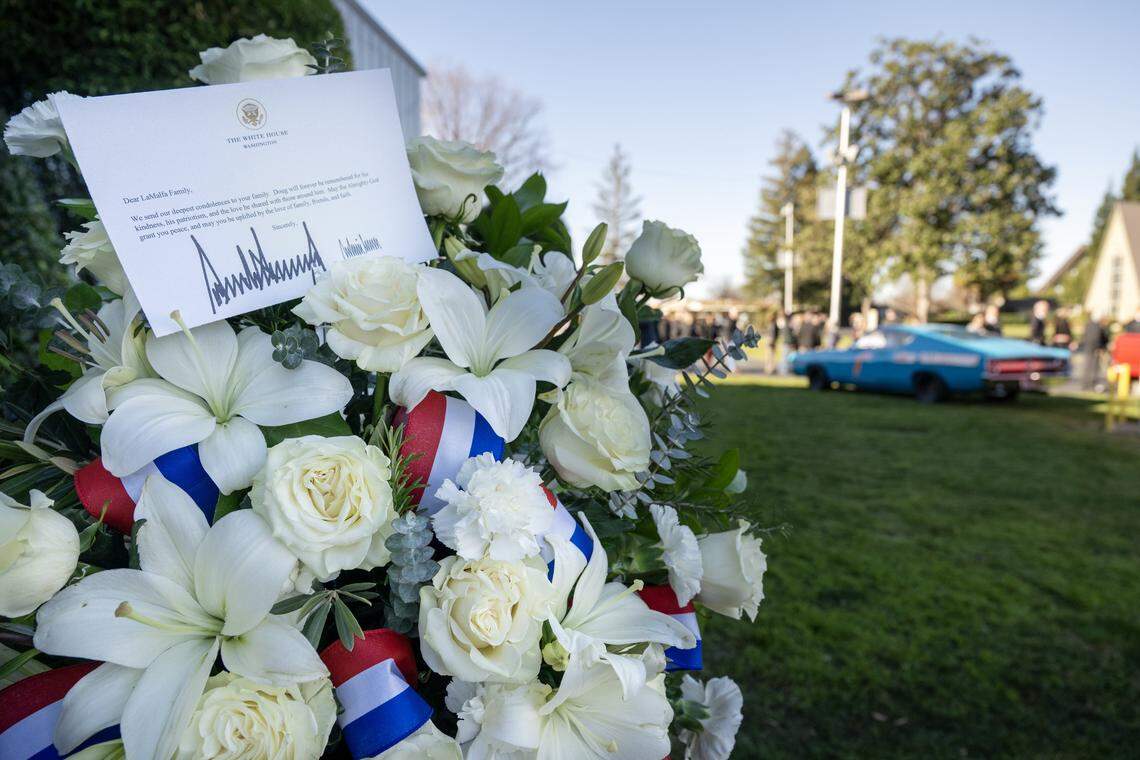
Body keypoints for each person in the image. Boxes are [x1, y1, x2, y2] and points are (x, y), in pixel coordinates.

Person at [1078, 314, 1109, 390]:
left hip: (1089, 348)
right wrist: (1100, 347)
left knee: (1089, 367)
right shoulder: (1096, 326)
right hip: (1093, 349)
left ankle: (1087, 384)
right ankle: (1089, 384)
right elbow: (1098, 338)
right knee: (1092, 367)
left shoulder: (1089, 324)